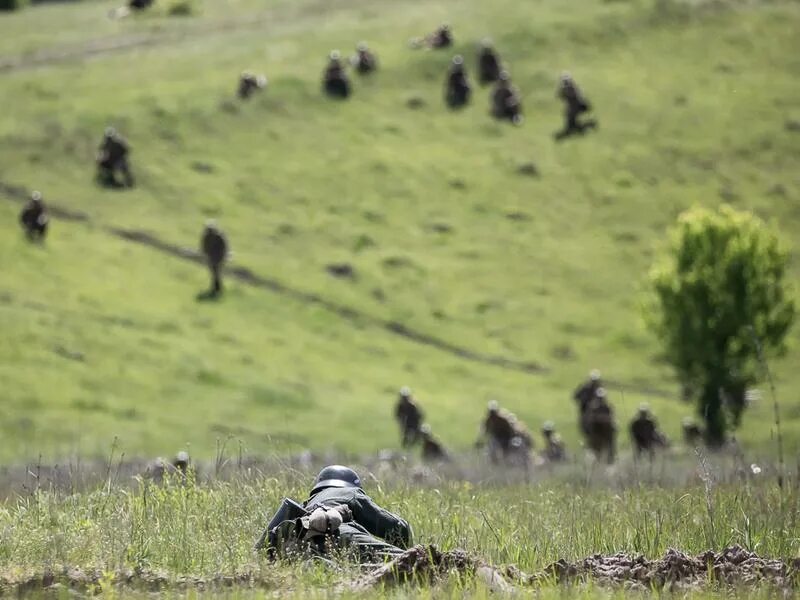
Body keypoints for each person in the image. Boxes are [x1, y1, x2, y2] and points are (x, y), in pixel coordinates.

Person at [255, 465, 412, 561]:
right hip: (336, 530)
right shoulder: (350, 493)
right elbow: (397, 527)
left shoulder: (309, 503)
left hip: (298, 539)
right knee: (413, 562)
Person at [477, 401, 532, 465]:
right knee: (492, 448)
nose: (493, 415)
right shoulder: (488, 420)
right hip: (497, 438)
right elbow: (484, 431)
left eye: (493, 413)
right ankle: (495, 463)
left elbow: (511, 430)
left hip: (507, 437)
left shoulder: (503, 419)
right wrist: (479, 441)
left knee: (508, 451)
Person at [555, 72, 597, 140]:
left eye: (566, 81)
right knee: (571, 124)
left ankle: (589, 124)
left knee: (571, 124)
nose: (565, 82)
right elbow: (559, 96)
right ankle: (587, 125)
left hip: (577, 107)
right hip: (572, 108)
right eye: (564, 81)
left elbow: (578, 97)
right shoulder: (565, 88)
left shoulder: (573, 88)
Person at [580, 388, 617, 463]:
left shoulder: (608, 407)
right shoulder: (593, 407)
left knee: (611, 438)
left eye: (602, 398)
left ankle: (610, 457)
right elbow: (589, 419)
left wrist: (603, 419)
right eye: (599, 398)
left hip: (607, 430)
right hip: (596, 429)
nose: (601, 399)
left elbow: (611, 417)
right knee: (594, 445)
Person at [200, 221, 228, 297]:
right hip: (212, 258)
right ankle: (216, 289)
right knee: (214, 274)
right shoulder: (207, 236)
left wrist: (223, 256)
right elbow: (204, 247)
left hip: (218, 258)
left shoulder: (218, 236)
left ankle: (217, 289)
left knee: (216, 274)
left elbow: (224, 247)